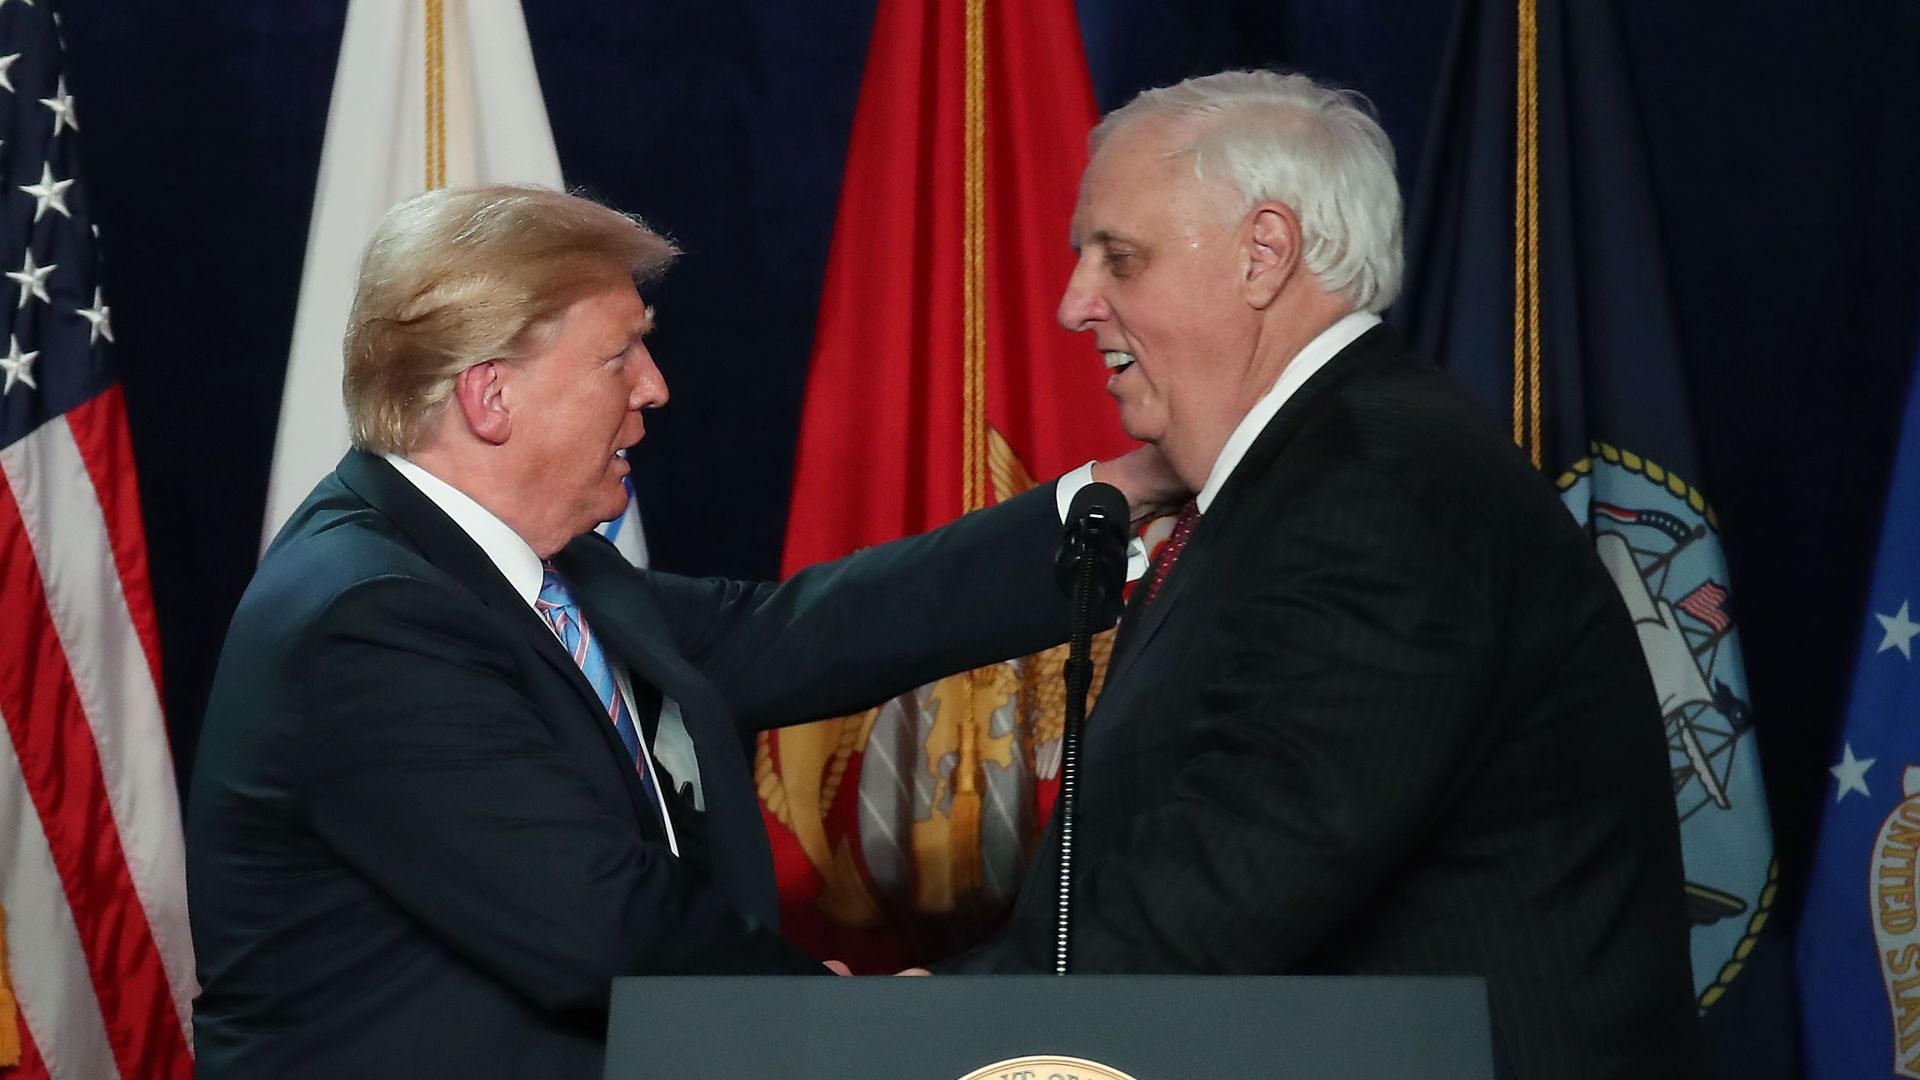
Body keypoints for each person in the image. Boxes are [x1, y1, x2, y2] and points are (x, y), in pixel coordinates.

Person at [185, 185, 1169, 1079]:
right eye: (620, 354)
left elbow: (788, 636)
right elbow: (600, 924)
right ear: (491, 396)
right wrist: (839, 1023)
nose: (653, 387)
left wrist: (1120, 496)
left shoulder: (522, 564)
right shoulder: (369, 622)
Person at [937, 71, 1705, 1079]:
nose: (1075, 302)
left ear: (1265, 254)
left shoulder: (1380, 491)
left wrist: (933, 1023)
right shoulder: (1319, 471)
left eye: (1119, 258)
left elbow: (1225, 886)